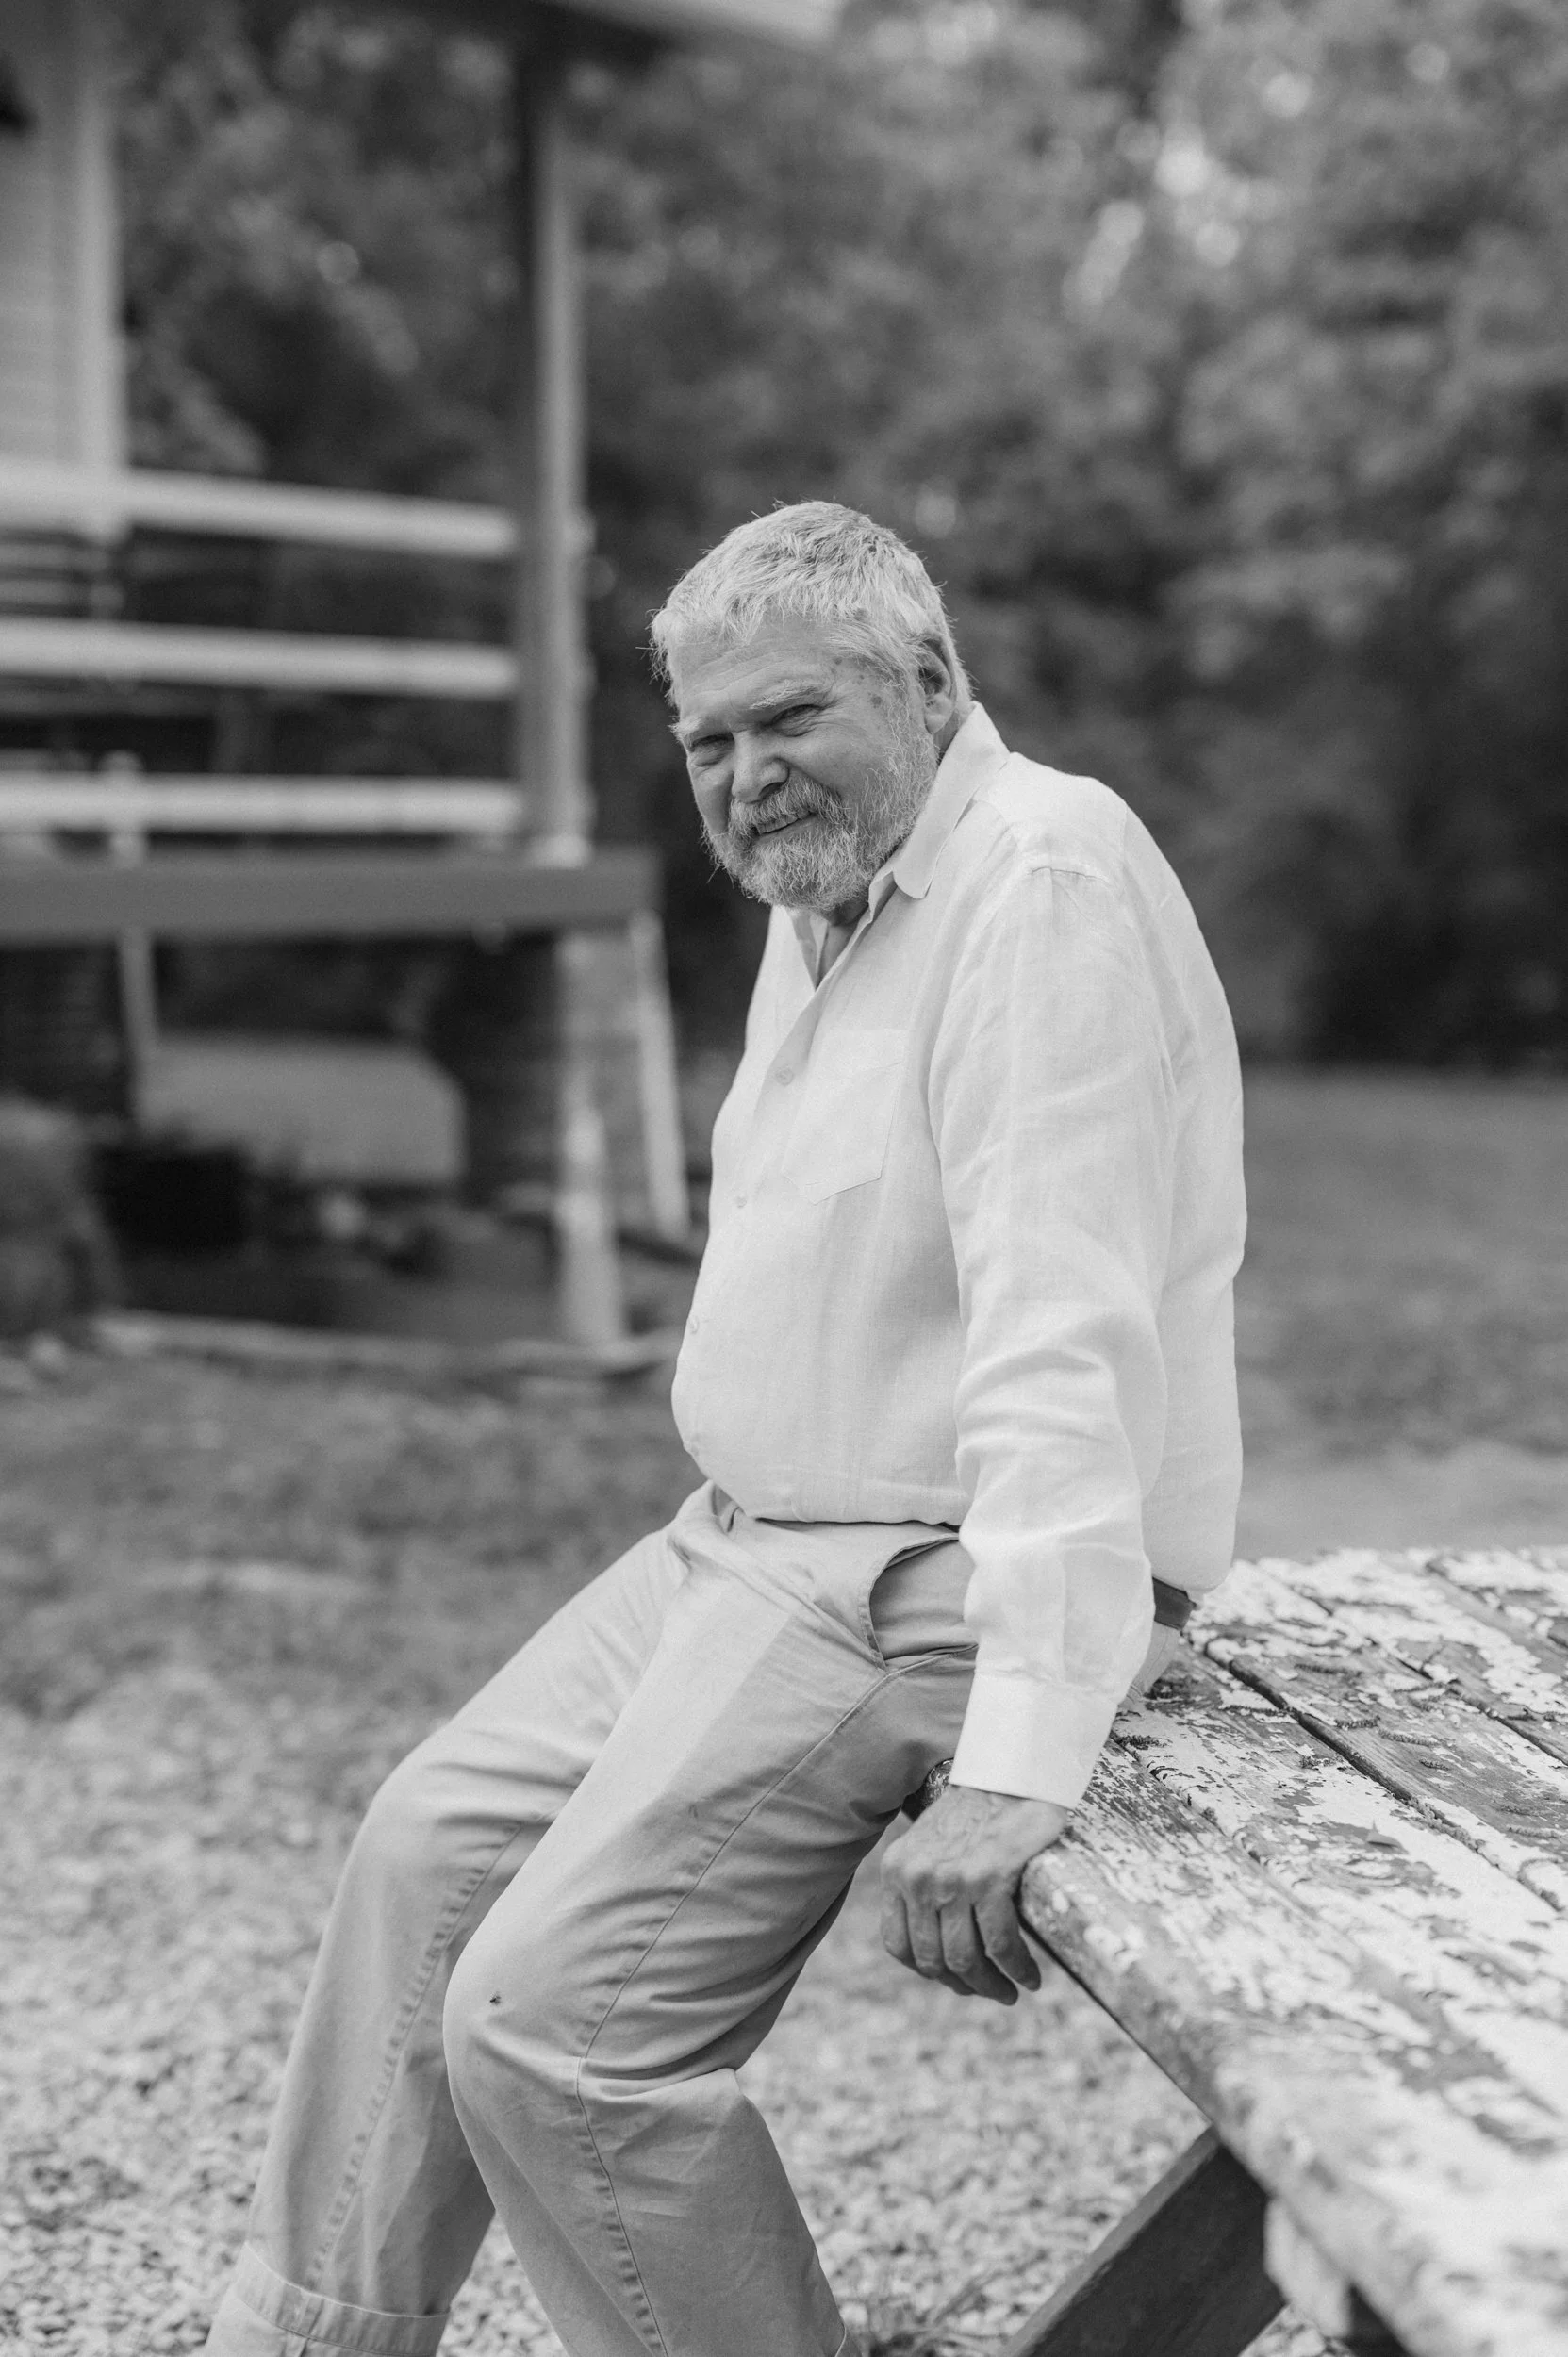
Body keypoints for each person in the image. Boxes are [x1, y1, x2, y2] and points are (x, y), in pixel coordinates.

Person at [203, 503, 1245, 2357]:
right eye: (710, 742)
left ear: (928, 682)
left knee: (552, 2022)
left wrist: (1026, 1742)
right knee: (424, 1846)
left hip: (925, 1563)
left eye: (792, 718)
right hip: (746, 1535)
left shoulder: (1037, 877)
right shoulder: (823, 893)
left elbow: (1061, 1329)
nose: (750, 775)